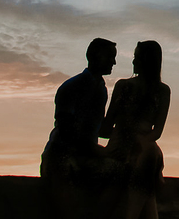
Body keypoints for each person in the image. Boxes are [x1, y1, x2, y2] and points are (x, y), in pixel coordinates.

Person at [42, 38, 121, 218]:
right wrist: (96, 150)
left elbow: (99, 128)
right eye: (110, 57)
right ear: (95, 56)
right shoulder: (72, 87)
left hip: (87, 155)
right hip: (64, 156)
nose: (114, 62)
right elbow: (66, 130)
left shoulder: (101, 88)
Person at [103, 40, 171, 219]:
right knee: (147, 160)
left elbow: (157, 131)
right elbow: (108, 124)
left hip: (144, 144)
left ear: (146, 60)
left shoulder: (163, 91)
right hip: (122, 143)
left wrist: (139, 141)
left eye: (137, 57)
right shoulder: (122, 86)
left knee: (147, 154)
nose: (133, 61)